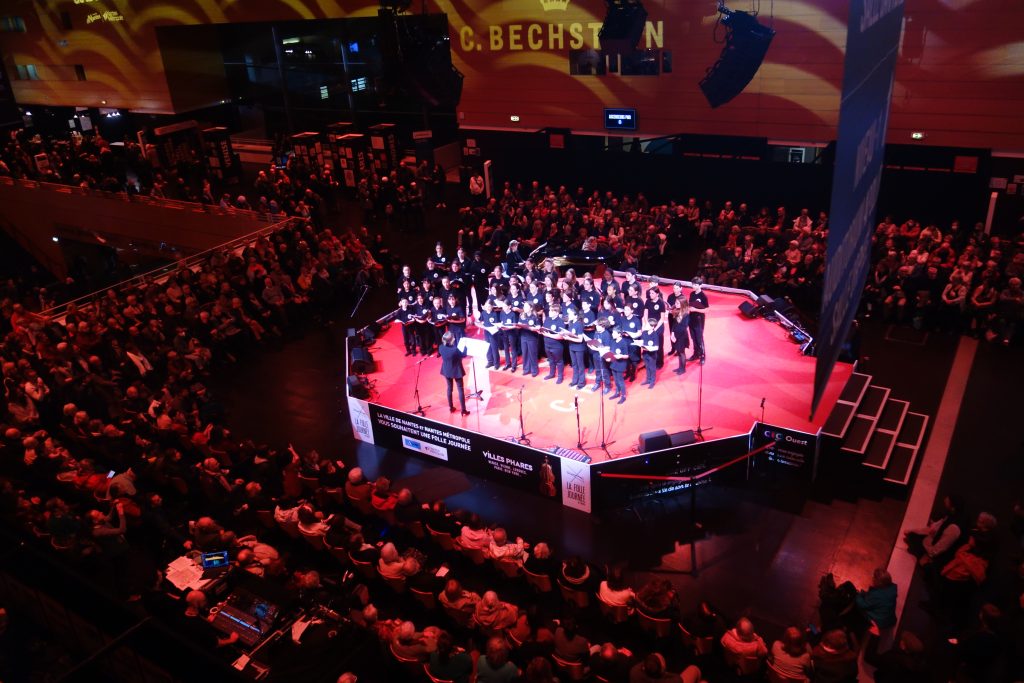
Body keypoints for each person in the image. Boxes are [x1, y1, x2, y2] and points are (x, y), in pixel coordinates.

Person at [438, 332, 471, 416]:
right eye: (453, 338)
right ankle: (463, 410)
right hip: (456, 371)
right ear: (450, 340)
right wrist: (466, 348)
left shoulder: (441, 347)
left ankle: (451, 407)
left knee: (449, 388)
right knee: (460, 389)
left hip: (447, 370)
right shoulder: (454, 350)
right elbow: (463, 355)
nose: (454, 339)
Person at [541, 305, 566, 384]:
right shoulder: (548, 319)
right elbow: (544, 329)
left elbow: (561, 336)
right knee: (551, 360)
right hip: (547, 344)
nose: (549, 312)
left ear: (557, 313)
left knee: (559, 361)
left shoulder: (560, 322)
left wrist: (549, 335)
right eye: (549, 310)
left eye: (552, 311)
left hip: (556, 346)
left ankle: (560, 376)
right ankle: (551, 374)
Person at [687, 277, 709, 364]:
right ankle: (696, 354)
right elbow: (690, 305)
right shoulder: (692, 294)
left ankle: (702, 355)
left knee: (699, 338)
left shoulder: (703, 296)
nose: (693, 286)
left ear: (700, 285)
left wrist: (695, 310)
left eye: (695, 285)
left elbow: (707, 310)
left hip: (699, 320)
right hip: (691, 318)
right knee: (693, 337)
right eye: (693, 284)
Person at [608, 327, 630, 404]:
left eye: (614, 333)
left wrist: (621, 356)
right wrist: (608, 357)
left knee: (620, 380)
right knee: (616, 380)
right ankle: (617, 392)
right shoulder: (612, 341)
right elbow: (611, 351)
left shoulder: (623, 343)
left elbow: (627, 356)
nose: (612, 334)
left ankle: (623, 395)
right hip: (613, 363)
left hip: (620, 364)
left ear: (619, 334)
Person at [669, 302, 690, 375]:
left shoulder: (686, 314)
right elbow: (674, 324)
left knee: (682, 353)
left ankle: (683, 368)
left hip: (682, 336)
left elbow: (684, 327)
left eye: (678, 303)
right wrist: (672, 333)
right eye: (675, 302)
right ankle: (680, 367)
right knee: (678, 352)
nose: (675, 304)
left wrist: (676, 336)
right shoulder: (677, 312)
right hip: (676, 335)